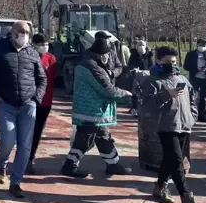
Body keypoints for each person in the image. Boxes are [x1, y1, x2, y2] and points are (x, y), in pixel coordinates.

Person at [0, 20, 47, 198]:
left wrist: (36, 99)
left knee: (25, 146)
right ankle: (1, 164)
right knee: (8, 140)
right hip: (6, 105)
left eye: (27, 32)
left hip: (28, 105)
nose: (24, 35)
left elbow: (42, 78)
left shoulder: (32, 52)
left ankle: (16, 182)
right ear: (12, 32)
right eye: (22, 31)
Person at [142, 46, 202, 203]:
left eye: (174, 62)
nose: (171, 65)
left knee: (170, 160)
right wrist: (165, 95)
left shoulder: (182, 78)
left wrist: (192, 117)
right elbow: (147, 106)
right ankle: (187, 198)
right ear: (158, 60)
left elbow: (192, 99)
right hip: (166, 127)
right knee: (177, 162)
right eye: (167, 61)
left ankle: (159, 187)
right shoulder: (152, 81)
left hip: (184, 125)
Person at [61, 38, 133, 179]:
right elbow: (108, 90)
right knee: (85, 139)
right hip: (91, 111)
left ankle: (113, 164)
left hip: (93, 110)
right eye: (107, 55)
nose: (109, 58)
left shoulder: (90, 63)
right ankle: (69, 165)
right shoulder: (93, 67)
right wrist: (127, 94)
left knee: (103, 137)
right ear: (101, 55)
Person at [27, 33, 57, 174]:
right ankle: (24, 155)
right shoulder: (27, 56)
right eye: (41, 44)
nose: (45, 47)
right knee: (26, 131)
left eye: (46, 44)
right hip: (29, 100)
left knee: (38, 131)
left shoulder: (51, 59)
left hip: (45, 102)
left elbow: (52, 80)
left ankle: (30, 158)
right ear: (34, 44)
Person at [183, 38, 206, 123]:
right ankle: (192, 114)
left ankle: (201, 115)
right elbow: (185, 66)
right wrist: (197, 69)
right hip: (195, 78)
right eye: (200, 45)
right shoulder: (190, 54)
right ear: (197, 45)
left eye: (204, 45)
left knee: (204, 98)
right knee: (193, 96)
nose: (202, 47)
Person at [127, 39, 155, 116]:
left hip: (146, 75)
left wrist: (149, 71)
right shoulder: (134, 54)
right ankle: (134, 108)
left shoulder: (149, 55)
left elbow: (151, 65)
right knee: (135, 93)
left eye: (142, 45)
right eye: (139, 45)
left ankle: (145, 108)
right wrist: (134, 69)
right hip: (136, 75)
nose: (141, 47)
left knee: (145, 92)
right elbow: (130, 64)